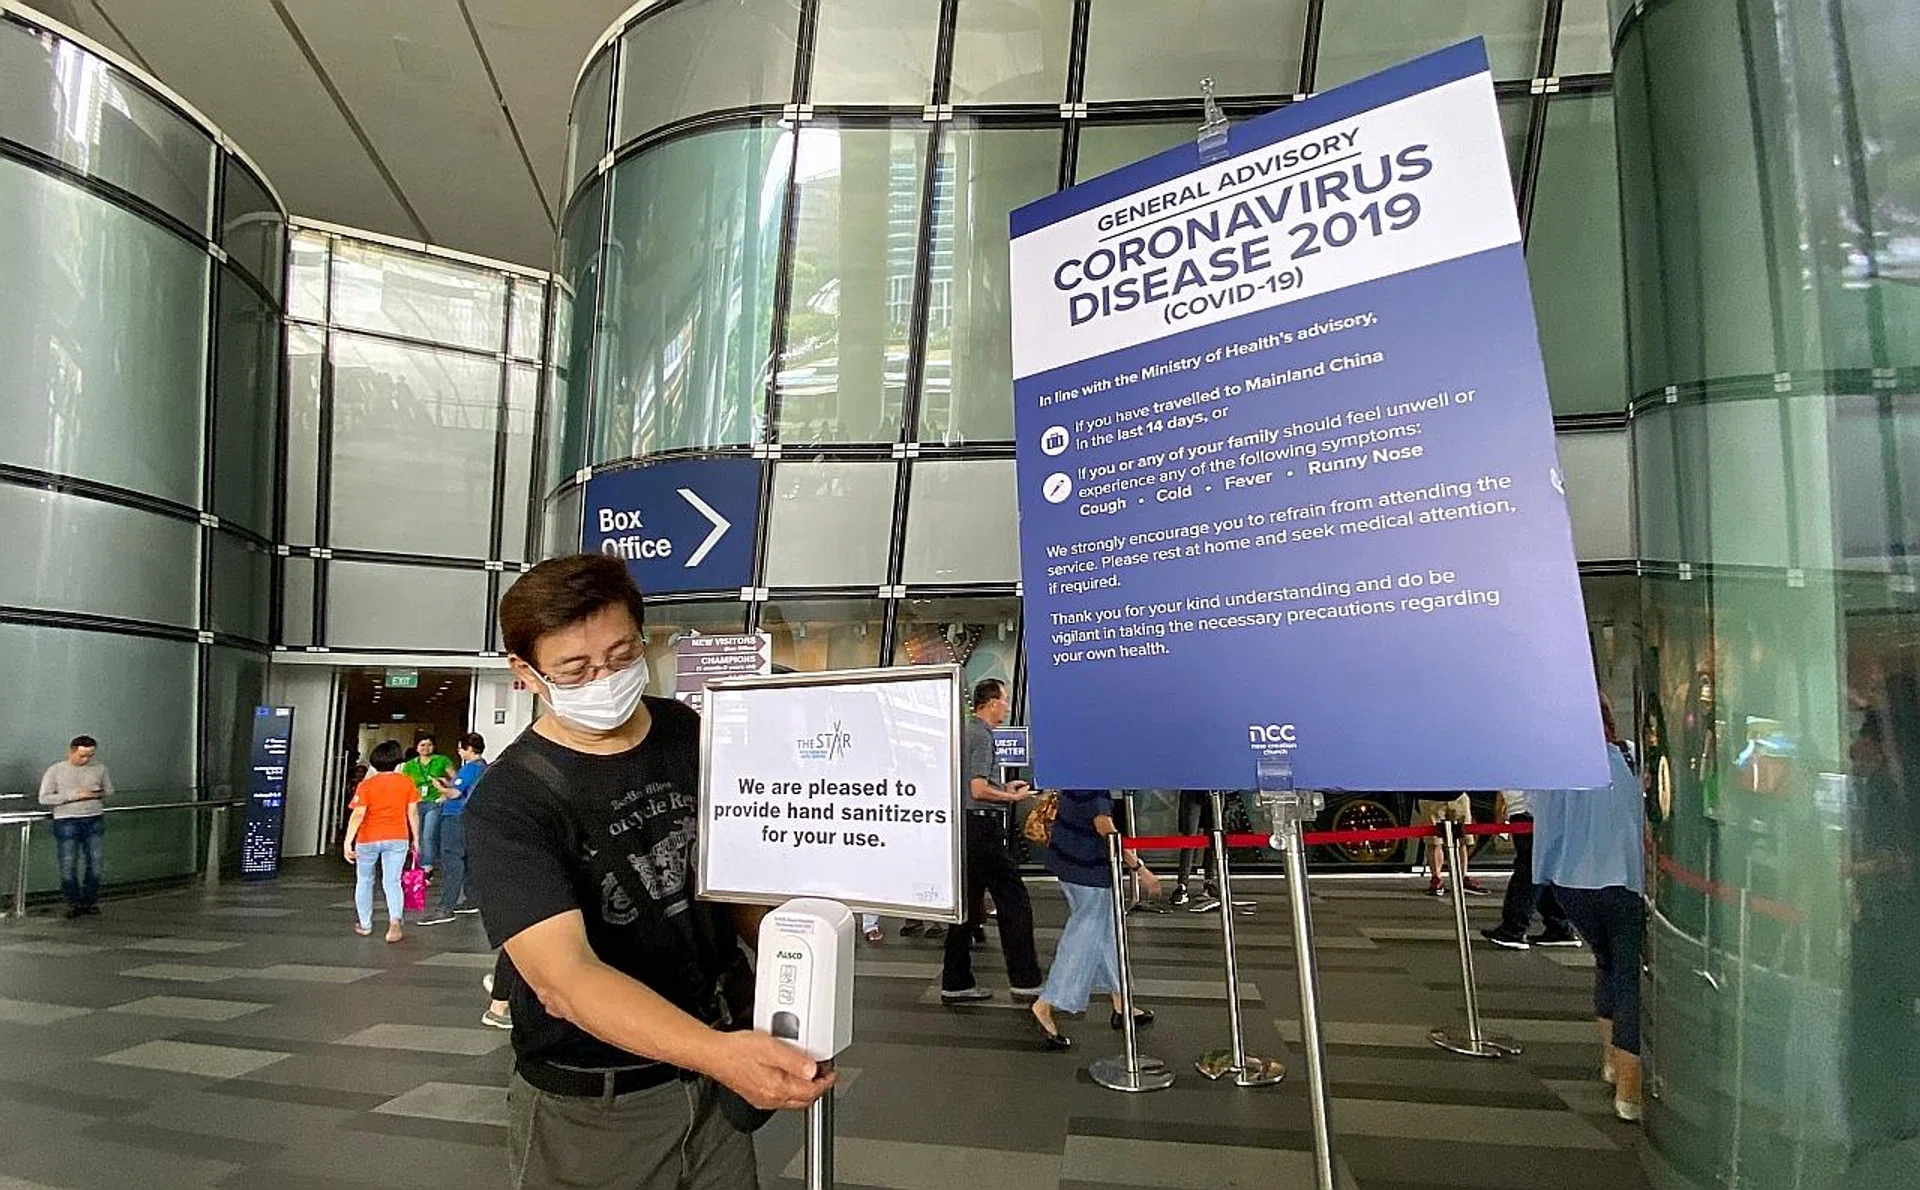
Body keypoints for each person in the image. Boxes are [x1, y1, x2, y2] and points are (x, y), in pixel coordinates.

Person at [464, 554, 830, 1189]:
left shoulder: (687, 731)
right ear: (525, 673)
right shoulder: (510, 803)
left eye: (621, 654)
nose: (603, 677)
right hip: (597, 1109)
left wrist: (804, 964)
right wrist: (722, 1055)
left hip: (715, 1083)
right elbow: (565, 981)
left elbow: (732, 882)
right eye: (575, 669)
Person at [1530, 697, 1648, 1123]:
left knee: (1605, 965)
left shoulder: (1554, 768)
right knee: (1628, 976)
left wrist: (1542, 877)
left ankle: (1611, 1062)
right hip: (1624, 881)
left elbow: (1544, 824)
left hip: (1572, 884)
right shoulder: (1631, 756)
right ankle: (1629, 1091)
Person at [1029, 789, 1159, 1050]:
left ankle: (1122, 1003)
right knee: (1083, 938)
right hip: (1090, 871)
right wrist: (1140, 869)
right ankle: (1045, 1004)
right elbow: (1105, 827)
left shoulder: (1075, 772)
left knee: (1107, 933)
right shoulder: (1095, 784)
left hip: (1068, 862)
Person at [941, 678, 1045, 1005]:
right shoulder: (982, 735)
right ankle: (1025, 980)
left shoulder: (967, 733)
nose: (1008, 706)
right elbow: (977, 790)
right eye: (1004, 700)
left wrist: (1002, 789)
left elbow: (977, 784)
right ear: (990, 703)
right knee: (1014, 898)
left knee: (967, 907)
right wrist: (1009, 798)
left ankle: (955, 983)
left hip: (965, 829)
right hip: (981, 830)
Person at [341, 740, 421, 943]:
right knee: (392, 881)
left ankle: (365, 924)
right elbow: (412, 812)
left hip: (367, 838)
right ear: (397, 761)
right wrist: (416, 839)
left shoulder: (366, 785)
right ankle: (394, 921)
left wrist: (347, 842)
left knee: (365, 880)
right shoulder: (406, 782)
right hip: (397, 837)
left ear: (374, 762)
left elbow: (358, 814)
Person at [1481, 788, 1580, 949]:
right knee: (1541, 871)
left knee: (1529, 872)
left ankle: (1513, 929)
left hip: (1528, 810)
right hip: (1534, 810)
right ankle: (1559, 926)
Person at [38, 735, 112, 918]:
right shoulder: (55, 771)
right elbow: (44, 798)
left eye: (90, 755)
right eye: (82, 756)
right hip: (67, 820)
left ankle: (90, 901)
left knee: (95, 862)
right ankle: (73, 902)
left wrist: (96, 793)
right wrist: (74, 795)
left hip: (94, 817)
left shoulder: (99, 769)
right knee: (68, 863)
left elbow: (109, 790)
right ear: (71, 751)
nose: (86, 760)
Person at [419, 732, 487, 927]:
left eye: (460, 748)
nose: (459, 752)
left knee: (452, 859)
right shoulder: (484, 768)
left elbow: (455, 793)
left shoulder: (469, 769)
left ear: (469, 749)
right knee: (466, 858)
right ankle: (471, 899)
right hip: (470, 818)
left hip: (455, 817)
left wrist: (440, 788)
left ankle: (445, 907)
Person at [1416, 792, 1489, 897]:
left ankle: (1461, 877)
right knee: (1434, 842)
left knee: (1463, 840)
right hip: (1430, 796)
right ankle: (1436, 879)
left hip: (1457, 795)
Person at [400, 733, 454, 874]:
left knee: (428, 834)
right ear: (416, 748)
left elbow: (457, 779)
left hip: (434, 802)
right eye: (422, 745)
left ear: (434, 746)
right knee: (417, 834)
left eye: (429, 745)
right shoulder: (410, 765)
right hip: (416, 803)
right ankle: (417, 863)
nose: (426, 748)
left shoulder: (442, 760)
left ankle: (427, 867)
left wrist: (445, 792)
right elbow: (404, 785)